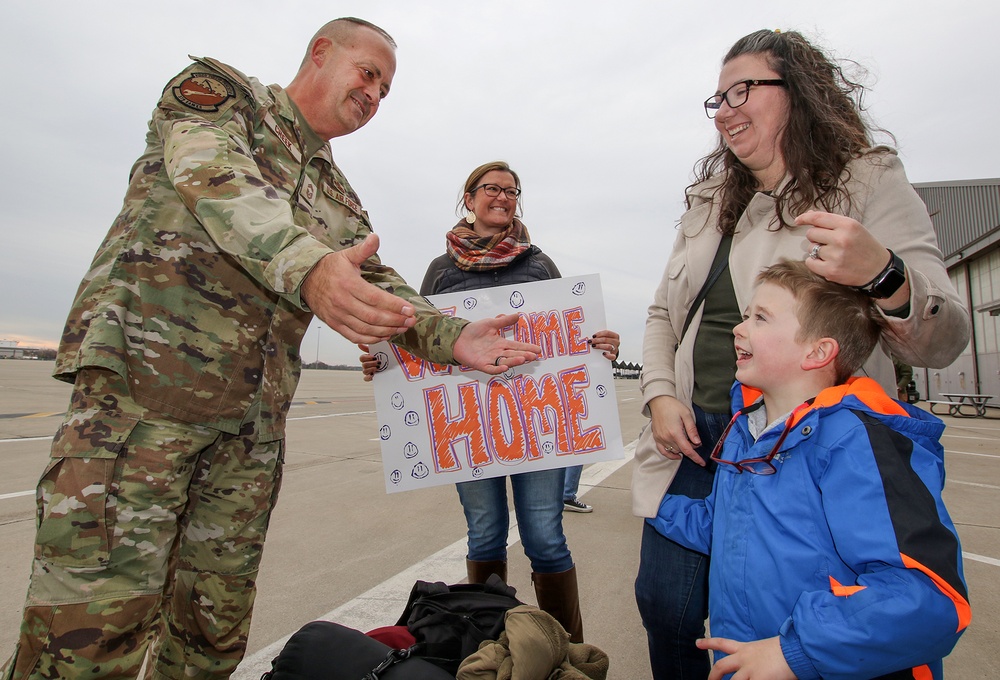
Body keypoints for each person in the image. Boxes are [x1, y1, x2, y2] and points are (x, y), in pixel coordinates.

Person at [3, 20, 542, 680]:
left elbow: (380, 285)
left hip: (247, 439)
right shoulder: (223, 98)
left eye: (386, 88)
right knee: (86, 641)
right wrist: (310, 267)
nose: (375, 92)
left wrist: (453, 337)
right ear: (321, 53)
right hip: (143, 412)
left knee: (210, 636)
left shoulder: (337, 197)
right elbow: (218, 179)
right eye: (367, 73)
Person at [632, 28, 971, 679]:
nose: (725, 109)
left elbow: (945, 334)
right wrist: (658, 394)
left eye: (743, 90)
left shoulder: (866, 180)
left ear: (800, 91)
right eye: (716, 98)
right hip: (693, 437)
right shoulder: (708, 201)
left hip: (796, 448)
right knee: (666, 609)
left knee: (790, 614)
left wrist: (884, 273)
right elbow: (659, 314)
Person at [650, 260, 970, 680]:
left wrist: (794, 652)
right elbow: (730, 525)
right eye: (746, 314)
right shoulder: (749, 431)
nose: (738, 328)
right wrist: (656, 507)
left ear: (818, 351)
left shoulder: (854, 444)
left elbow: (929, 599)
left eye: (759, 317)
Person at [362, 160, 620, 642]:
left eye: (512, 191)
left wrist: (599, 344)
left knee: (545, 537)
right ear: (469, 198)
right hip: (472, 428)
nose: (502, 197)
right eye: (492, 189)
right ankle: (485, 645)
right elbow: (418, 337)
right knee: (484, 534)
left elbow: (570, 333)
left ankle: (567, 652)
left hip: (537, 426)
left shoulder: (538, 263)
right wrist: (384, 363)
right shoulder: (441, 271)